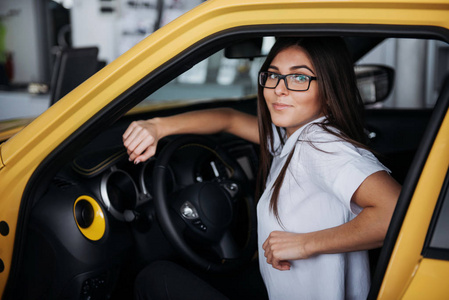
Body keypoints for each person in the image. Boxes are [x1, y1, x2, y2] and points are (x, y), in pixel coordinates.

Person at [123, 36, 401, 299]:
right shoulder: (294, 136)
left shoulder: (321, 147)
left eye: (299, 77)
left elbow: (395, 214)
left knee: (155, 279)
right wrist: (158, 126)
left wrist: (304, 244)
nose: (279, 88)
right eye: (273, 74)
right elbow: (228, 119)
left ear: (329, 89)